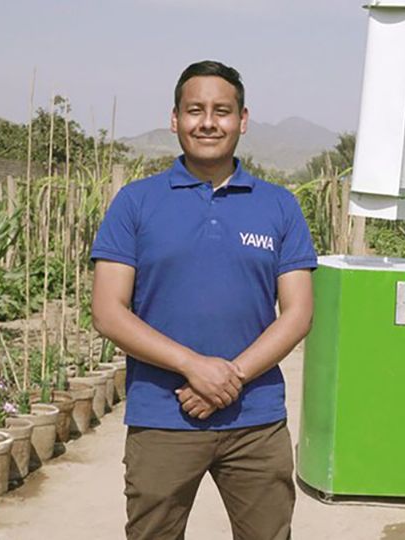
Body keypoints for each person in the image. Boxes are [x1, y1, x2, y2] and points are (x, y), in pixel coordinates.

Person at [90, 60, 316, 540]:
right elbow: (109, 311)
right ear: (175, 119)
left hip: (255, 421)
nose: (208, 122)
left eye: (222, 111)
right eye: (195, 110)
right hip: (162, 415)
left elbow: (297, 314)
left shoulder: (279, 205)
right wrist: (194, 366)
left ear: (243, 120)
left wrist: (229, 377)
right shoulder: (136, 202)